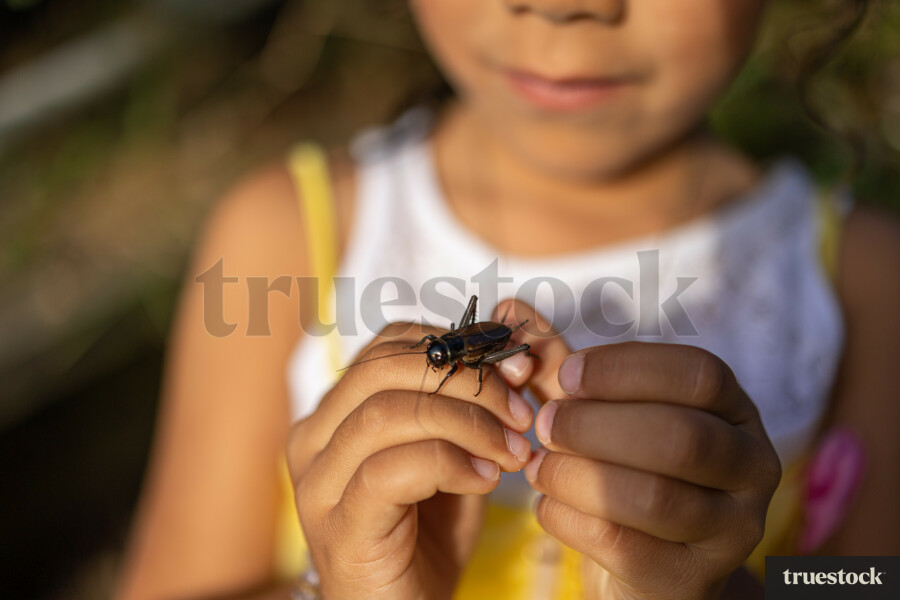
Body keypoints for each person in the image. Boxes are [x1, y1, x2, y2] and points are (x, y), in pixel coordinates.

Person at [116, 1, 900, 598]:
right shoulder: (279, 229)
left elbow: (866, 580)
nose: (562, 6)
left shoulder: (871, 279)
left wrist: (728, 589)